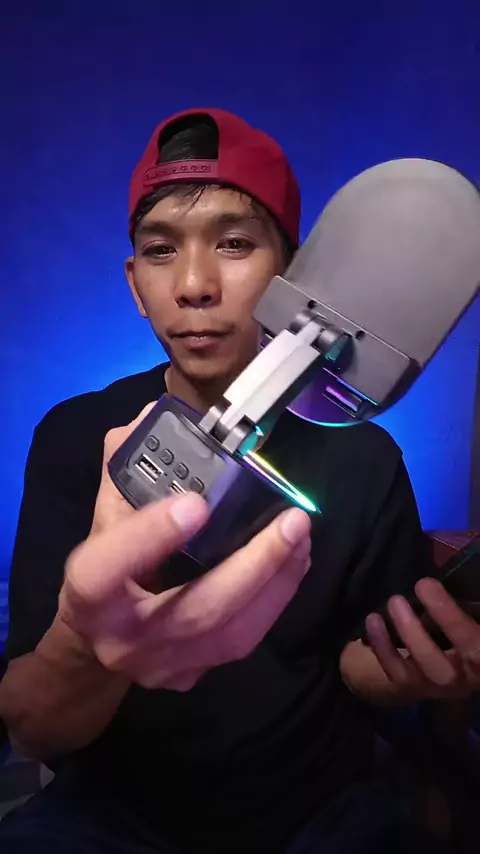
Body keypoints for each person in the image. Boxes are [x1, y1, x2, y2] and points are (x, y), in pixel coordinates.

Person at [0, 108, 478, 854]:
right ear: (135, 284)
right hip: (114, 815)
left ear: (297, 276)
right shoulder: (74, 438)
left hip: (318, 810)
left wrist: (427, 676)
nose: (194, 285)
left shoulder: (366, 459)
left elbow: (364, 662)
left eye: (233, 243)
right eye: (161, 250)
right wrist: (88, 641)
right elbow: (34, 727)